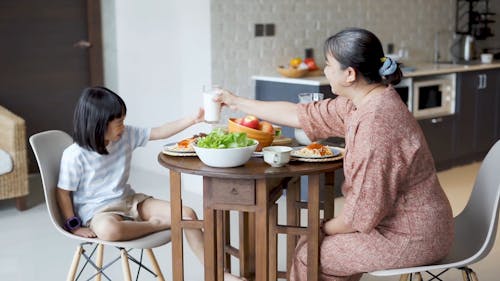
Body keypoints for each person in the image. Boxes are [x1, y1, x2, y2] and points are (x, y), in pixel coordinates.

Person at [215, 28, 454, 281]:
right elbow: (300, 114)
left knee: (310, 252)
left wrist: (318, 228)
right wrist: (236, 101)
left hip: (410, 236)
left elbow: (358, 218)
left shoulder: (376, 124)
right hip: (401, 225)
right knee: (314, 245)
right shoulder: (364, 101)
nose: (325, 70)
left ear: (349, 74)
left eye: (329, 65)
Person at [57, 86, 244, 281]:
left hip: (130, 201)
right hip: (98, 212)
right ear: (99, 124)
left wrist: (193, 119)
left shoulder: (126, 135)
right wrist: (74, 225)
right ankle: (156, 224)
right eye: (119, 122)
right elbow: (62, 192)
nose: (123, 126)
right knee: (108, 231)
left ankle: (219, 275)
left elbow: (160, 132)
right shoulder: (74, 155)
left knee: (187, 214)